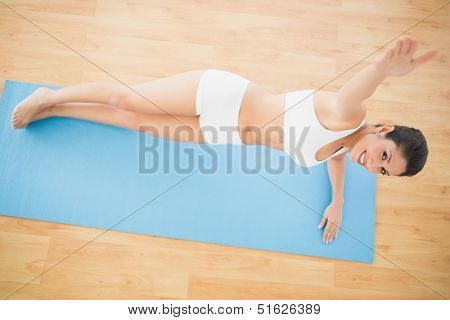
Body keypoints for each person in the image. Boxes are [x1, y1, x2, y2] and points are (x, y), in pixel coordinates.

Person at [10, 36, 438, 244]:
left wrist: (338, 200)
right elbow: (355, 91)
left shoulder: (347, 145)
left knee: (127, 120)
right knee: (128, 97)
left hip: (221, 133)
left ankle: (56, 108)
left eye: (382, 170)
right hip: (223, 96)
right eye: (382, 155)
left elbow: (338, 157)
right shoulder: (353, 114)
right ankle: (52, 95)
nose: (373, 165)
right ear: (383, 128)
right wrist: (382, 69)